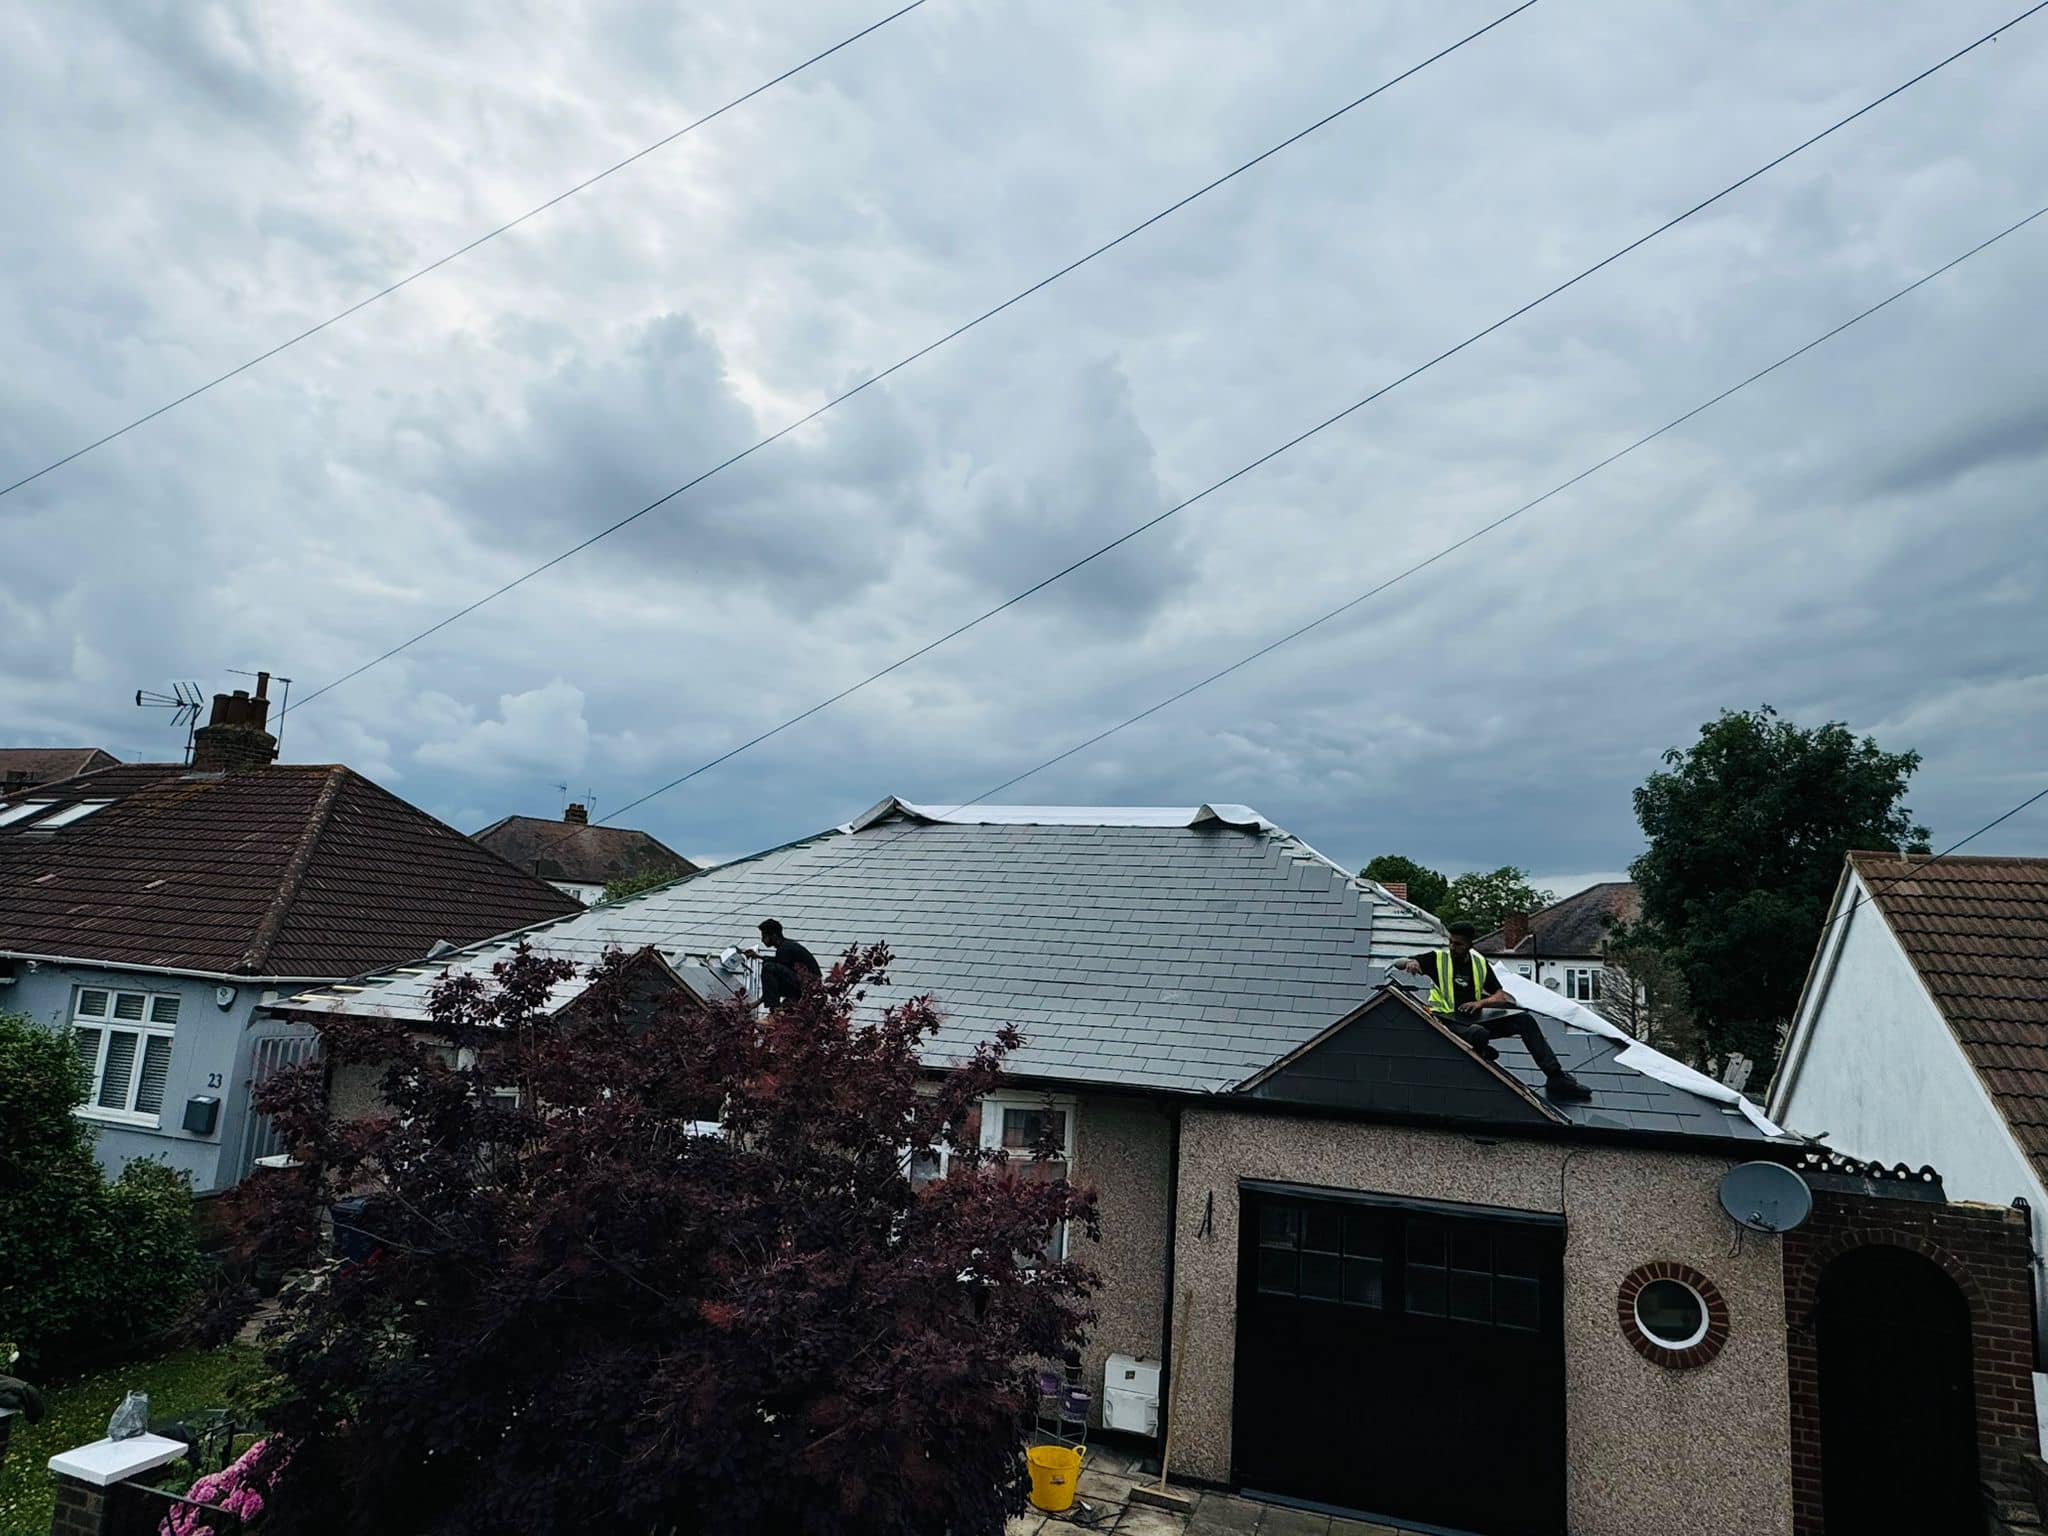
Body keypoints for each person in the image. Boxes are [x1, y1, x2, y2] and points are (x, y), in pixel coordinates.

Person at [1398, 923, 1592, 1102]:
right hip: (1447, 1021)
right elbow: (1401, 962)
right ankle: (1481, 1050)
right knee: (1477, 1034)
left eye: (1458, 944)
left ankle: (1556, 1077)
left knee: (1524, 1020)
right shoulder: (1437, 959)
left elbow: (1501, 996)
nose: (1452, 947)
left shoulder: (1479, 964)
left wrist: (1481, 1003)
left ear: (1469, 945)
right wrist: (1411, 962)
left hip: (1473, 1018)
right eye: (1450, 942)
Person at [755, 918, 821, 1010]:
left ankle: (775, 1007)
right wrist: (758, 957)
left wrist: (762, 1001)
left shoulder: (784, 949)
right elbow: (780, 964)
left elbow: (778, 971)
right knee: (769, 966)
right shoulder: (787, 946)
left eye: (764, 936)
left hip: (806, 985)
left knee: (768, 968)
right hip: (806, 985)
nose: (762, 940)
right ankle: (780, 1004)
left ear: (774, 936)